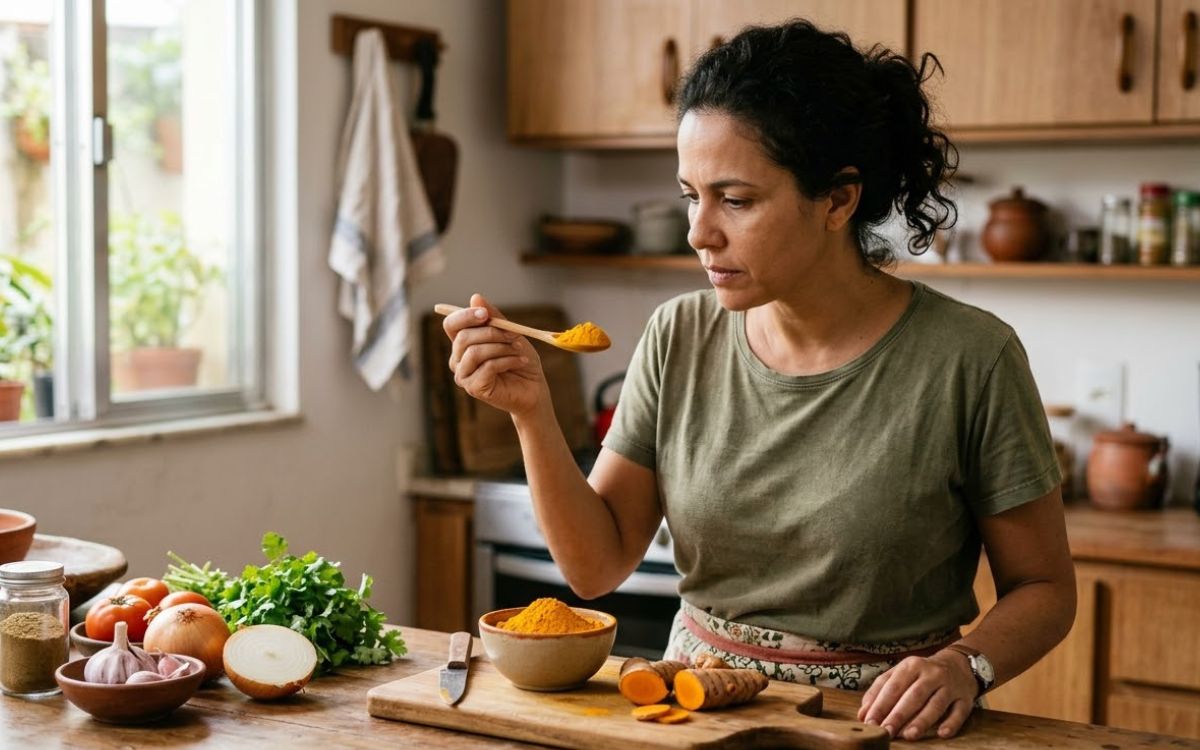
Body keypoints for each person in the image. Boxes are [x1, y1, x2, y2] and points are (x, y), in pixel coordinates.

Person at [443, 19, 1075, 741]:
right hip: (693, 712)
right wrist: (530, 412)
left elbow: (1045, 589)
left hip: (884, 725)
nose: (698, 232)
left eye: (735, 200)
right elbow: (595, 567)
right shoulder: (679, 334)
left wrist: (966, 666)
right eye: (690, 195)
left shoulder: (971, 357)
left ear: (838, 200)